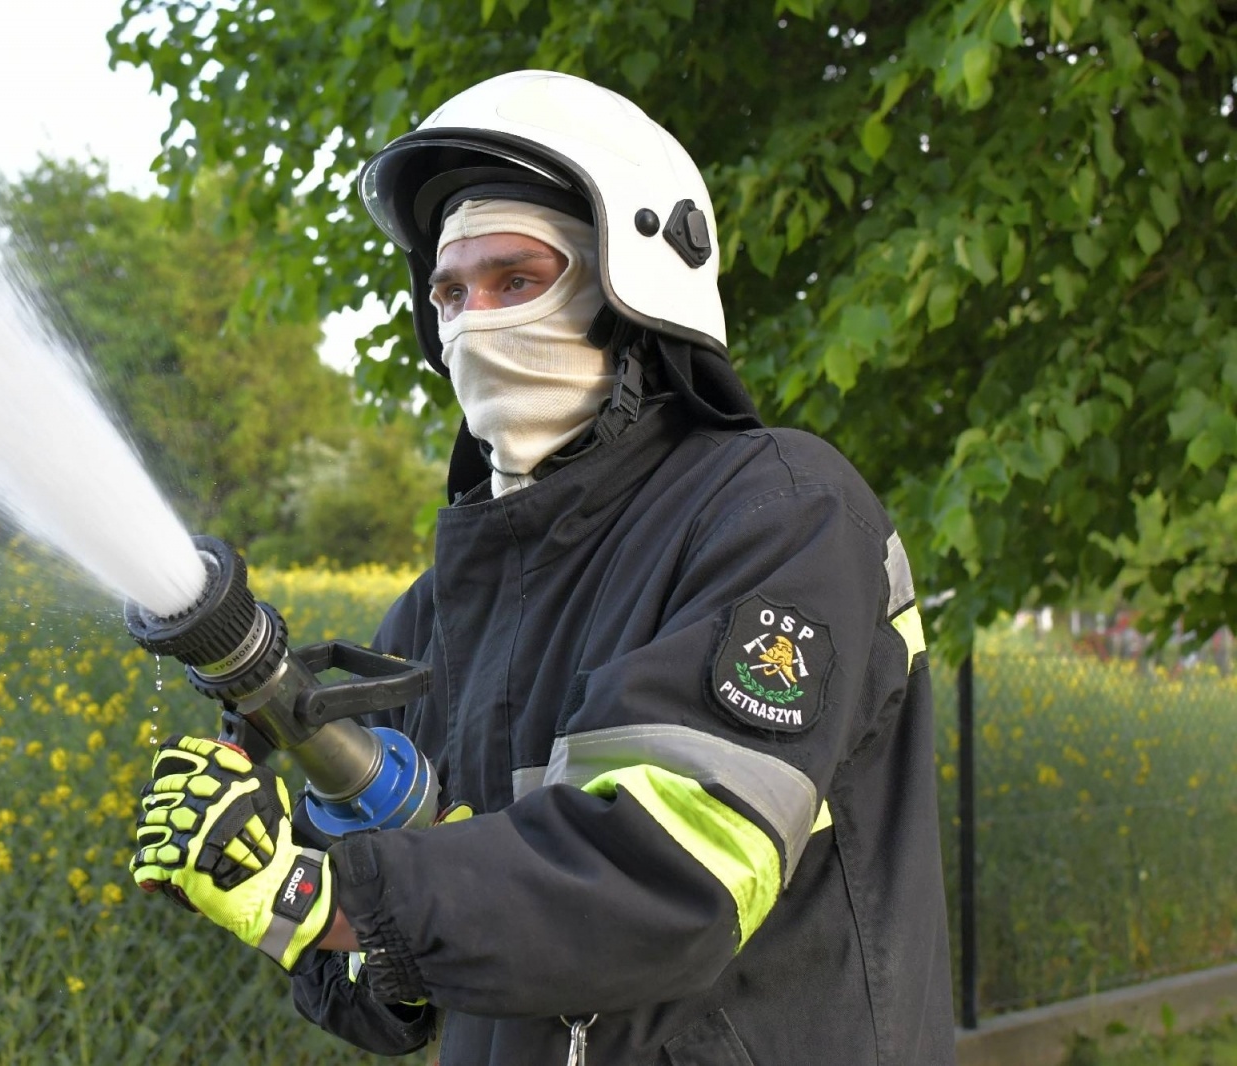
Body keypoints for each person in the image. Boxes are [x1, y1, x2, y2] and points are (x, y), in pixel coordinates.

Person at [131, 70, 957, 1064]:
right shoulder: (433, 619)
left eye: (515, 279)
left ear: (629, 289)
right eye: (449, 290)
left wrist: (329, 897)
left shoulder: (778, 510)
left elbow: (669, 880)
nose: (474, 320)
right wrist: (268, 872)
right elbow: (405, 996)